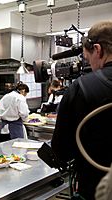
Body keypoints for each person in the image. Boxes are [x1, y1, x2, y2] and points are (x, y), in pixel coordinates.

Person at [51, 20, 112, 199]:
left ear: (98, 50)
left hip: (95, 188)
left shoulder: (82, 88)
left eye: (88, 57)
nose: (89, 64)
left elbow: (60, 151)